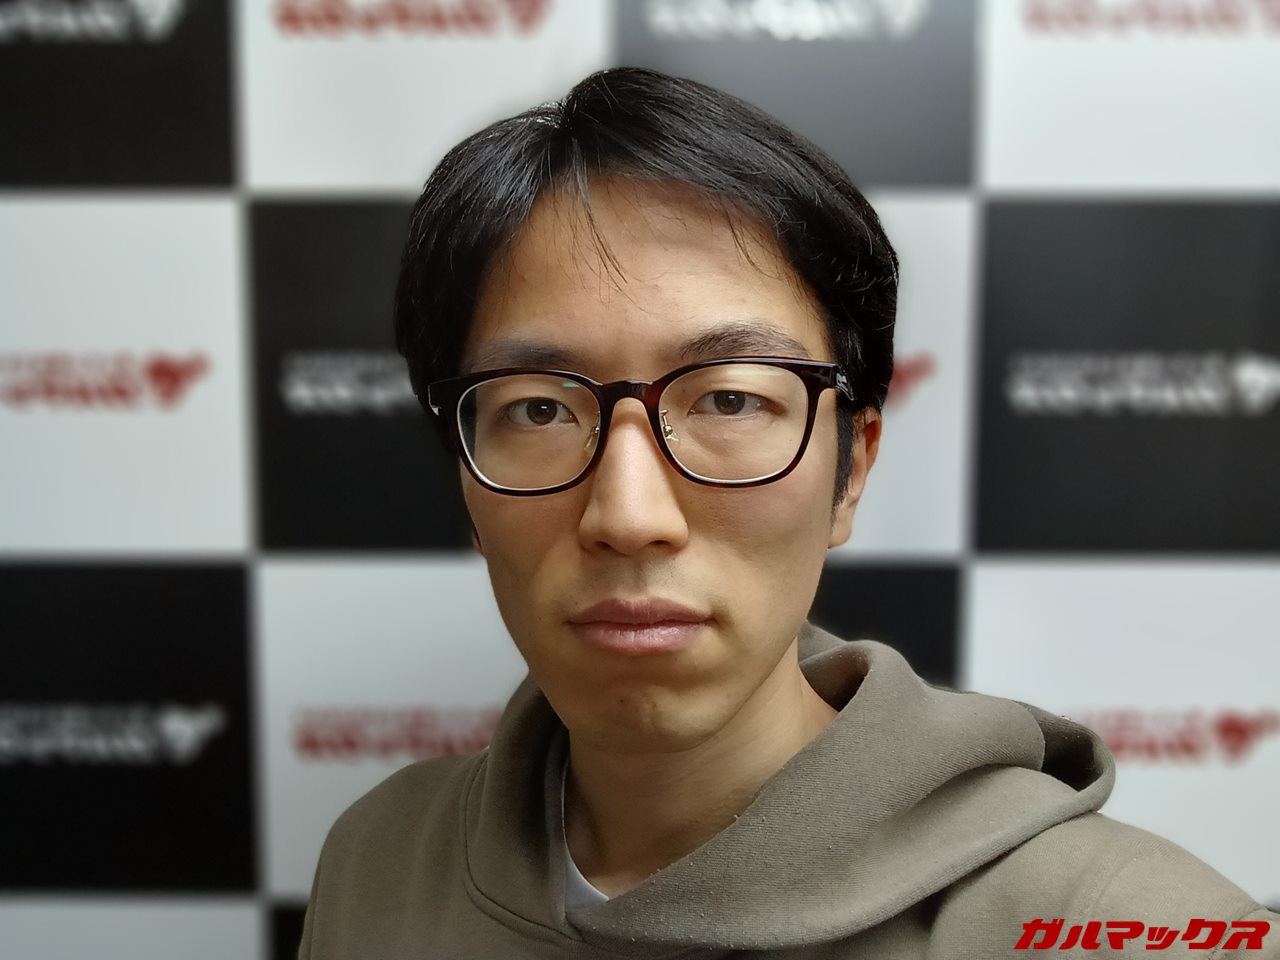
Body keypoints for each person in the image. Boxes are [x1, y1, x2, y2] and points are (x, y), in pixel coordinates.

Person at [298, 67, 1277, 958]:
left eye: (729, 399)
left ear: (851, 470)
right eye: (540, 410)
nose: (629, 516)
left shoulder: (1117, 923)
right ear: (466, 482)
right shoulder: (383, 859)